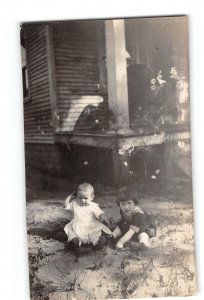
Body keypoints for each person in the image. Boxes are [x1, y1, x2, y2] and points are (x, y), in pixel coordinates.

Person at [64, 183, 112, 250]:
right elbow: (65, 205)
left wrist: (103, 217)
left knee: (95, 234)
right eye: (80, 198)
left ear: (92, 197)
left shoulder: (93, 206)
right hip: (78, 225)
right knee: (71, 231)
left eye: (86, 198)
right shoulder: (74, 204)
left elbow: (100, 212)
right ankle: (76, 241)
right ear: (76, 196)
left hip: (90, 225)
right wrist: (71, 196)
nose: (82, 200)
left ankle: (98, 242)